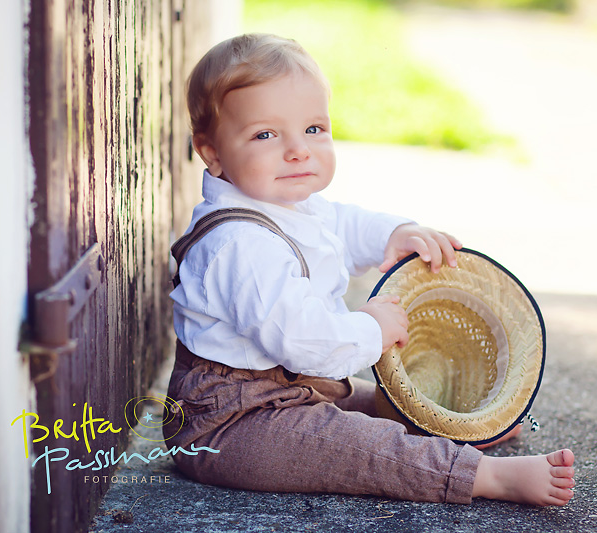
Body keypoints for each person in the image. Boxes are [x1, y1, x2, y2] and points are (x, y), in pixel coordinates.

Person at [164, 33, 575, 506]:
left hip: (298, 390)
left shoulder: (284, 202)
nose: (298, 150)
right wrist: (370, 328)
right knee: (363, 448)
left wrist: (394, 234)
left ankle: (454, 429)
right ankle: (485, 477)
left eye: (314, 129)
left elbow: (342, 222)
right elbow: (304, 342)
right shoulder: (239, 245)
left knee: (385, 405)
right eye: (265, 134)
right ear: (211, 151)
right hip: (231, 424)